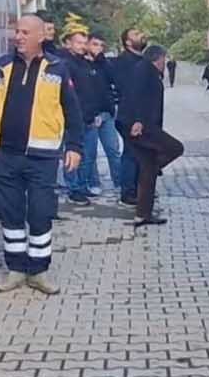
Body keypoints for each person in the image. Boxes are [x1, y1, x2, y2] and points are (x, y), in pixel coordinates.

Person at [0, 13, 83, 294]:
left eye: (25, 32)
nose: (19, 36)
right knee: (11, 214)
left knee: (40, 213)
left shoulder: (58, 68)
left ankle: (39, 271)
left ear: (41, 36)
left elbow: (72, 111)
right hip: (4, 155)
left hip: (42, 157)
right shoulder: (3, 66)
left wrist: (75, 146)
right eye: (17, 31)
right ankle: (16, 269)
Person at [119, 43, 184, 227]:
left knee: (148, 167)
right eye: (164, 59)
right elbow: (135, 95)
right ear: (158, 58)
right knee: (176, 148)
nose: (166, 62)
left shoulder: (146, 70)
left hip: (144, 124)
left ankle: (143, 214)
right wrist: (137, 121)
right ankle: (152, 168)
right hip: (140, 125)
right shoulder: (143, 70)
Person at [61, 29, 120, 205]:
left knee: (89, 156)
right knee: (72, 154)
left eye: (83, 42)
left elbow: (94, 90)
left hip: (90, 117)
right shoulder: (65, 64)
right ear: (68, 43)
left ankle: (82, 186)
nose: (81, 46)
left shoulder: (85, 63)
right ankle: (74, 189)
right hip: (75, 118)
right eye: (78, 42)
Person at [108, 27, 150, 205]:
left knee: (141, 153)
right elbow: (130, 92)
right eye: (136, 34)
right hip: (130, 116)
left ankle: (140, 189)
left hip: (142, 116)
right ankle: (128, 192)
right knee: (131, 154)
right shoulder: (123, 62)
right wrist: (137, 119)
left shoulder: (142, 60)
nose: (141, 34)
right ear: (127, 42)